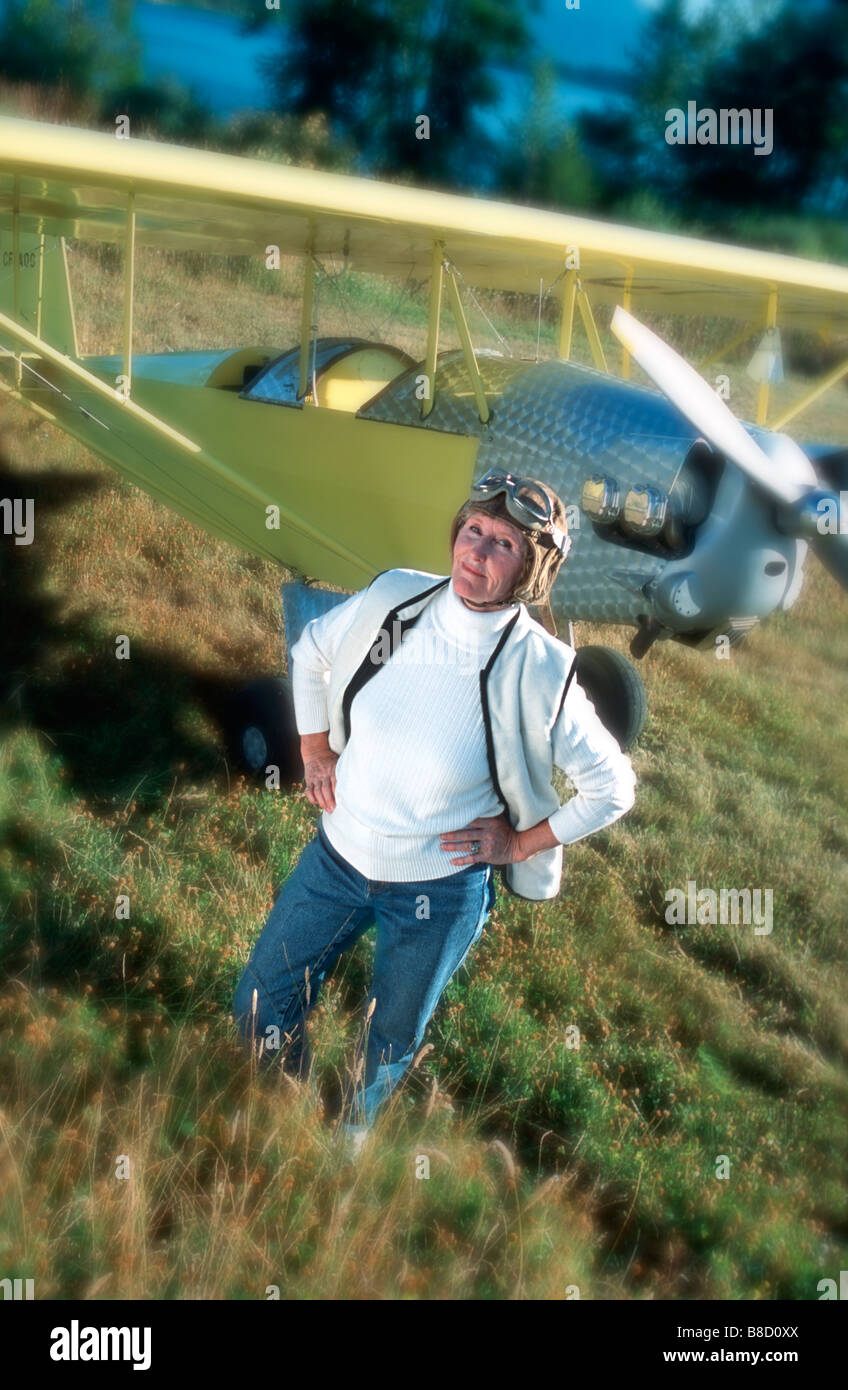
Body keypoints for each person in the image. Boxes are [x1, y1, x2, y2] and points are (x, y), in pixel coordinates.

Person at [233, 469, 637, 1146]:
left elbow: (612, 787)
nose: (477, 552)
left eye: (503, 544)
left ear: (530, 574)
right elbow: (311, 653)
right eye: (473, 530)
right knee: (259, 1003)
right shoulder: (395, 600)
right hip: (338, 859)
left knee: (391, 1031)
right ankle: (286, 1116)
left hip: (439, 891)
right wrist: (313, 751)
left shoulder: (541, 670)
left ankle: (351, 1135)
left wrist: (519, 844)